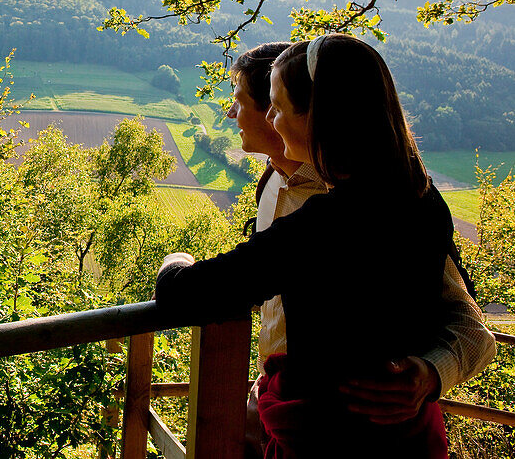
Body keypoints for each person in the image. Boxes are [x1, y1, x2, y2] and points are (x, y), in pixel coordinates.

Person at [155, 34, 480, 458]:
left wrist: (176, 262)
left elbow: (189, 292)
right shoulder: (423, 200)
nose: (271, 119)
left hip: (324, 435)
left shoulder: (326, 223)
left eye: (278, 106)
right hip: (405, 437)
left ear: (319, 116)